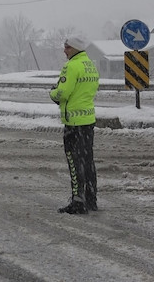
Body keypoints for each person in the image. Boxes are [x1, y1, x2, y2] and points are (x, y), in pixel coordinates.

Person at [49, 37, 99, 214]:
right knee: (88, 161)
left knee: (74, 161)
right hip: (88, 120)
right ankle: (91, 199)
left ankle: (78, 202)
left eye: (67, 47)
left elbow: (63, 92)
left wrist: (52, 93)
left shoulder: (71, 66)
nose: (65, 51)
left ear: (76, 48)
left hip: (73, 123)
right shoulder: (90, 65)